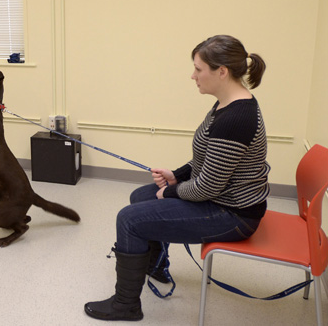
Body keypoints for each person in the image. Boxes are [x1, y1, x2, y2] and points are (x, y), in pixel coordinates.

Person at [84, 35, 270, 321]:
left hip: (233, 214)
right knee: (139, 197)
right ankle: (156, 263)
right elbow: (207, 159)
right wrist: (177, 175)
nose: (193, 76)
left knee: (129, 219)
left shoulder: (236, 118)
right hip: (222, 199)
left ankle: (126, 306)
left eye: (198, 69)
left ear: (222, 71)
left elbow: (208, 186)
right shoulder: (227, 103)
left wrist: (170, 192)